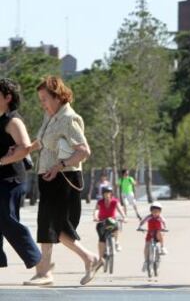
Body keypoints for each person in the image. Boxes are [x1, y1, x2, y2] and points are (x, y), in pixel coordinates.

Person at [24, 76, 101, 286]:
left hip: (64, 178)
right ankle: (50, 271)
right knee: (46, 226)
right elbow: (42, 141)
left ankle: (79, 262)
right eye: (40, 99)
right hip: (48, 177)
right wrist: (26, 149)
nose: (43, 103)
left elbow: (84, 151)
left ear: (57, 97)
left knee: (56, 227)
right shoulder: (50, 116)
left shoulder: (69, 118)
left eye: (45, 99)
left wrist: (60, 166)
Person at [0, 78, 42, 271]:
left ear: (7, 97)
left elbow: (25, 148)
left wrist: (2, 161)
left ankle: (37, 259)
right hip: (2, 178)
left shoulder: (13, 121)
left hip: (11, 180)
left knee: (7, 219)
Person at [93, 186, 126, 262]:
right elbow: (96, 210)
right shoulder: (100, 202)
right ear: (103, 194)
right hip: (102, 221)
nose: (107, 195)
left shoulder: (115, 201)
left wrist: (124, 217)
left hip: (112, 221)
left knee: (116, 225)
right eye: (105, 193)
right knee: (101, 239)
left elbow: (120, 209)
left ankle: (116, 242)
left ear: (111, 194)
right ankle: (100, 258)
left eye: (109, 193)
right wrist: (95, 217)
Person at [137, 201, 167, 272]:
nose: (155, 213)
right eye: (154, 211)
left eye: (157, 211)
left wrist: (165, 229)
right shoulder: (149, 217)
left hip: (158, 233)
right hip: (150, 234)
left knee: (160, 233)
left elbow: (164, 223)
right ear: (151, 211)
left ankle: (162, 247)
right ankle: (146, 262)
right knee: (146, 247)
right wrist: (140, 227)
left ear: (160, 212)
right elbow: (143, 222)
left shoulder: (160, 218)